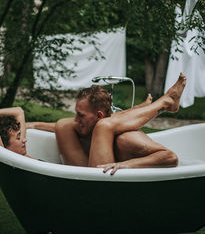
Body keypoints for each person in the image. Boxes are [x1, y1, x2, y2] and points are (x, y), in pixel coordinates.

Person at [28, 72, 186, 174]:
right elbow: (54, 126)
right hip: (81, 183)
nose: (76, 119)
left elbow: (170, 157)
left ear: (98, 115)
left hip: (107, 189)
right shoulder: (85, 126)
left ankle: (165, 102)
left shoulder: (127, 138)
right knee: (63, 125)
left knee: (103, 126)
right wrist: (31, 125)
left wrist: (128, 165)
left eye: (81, 115)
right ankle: (159, 104)